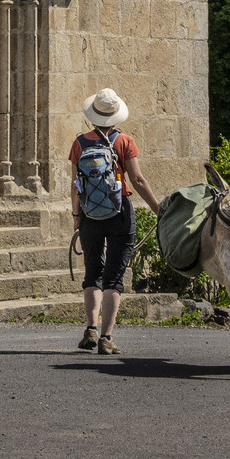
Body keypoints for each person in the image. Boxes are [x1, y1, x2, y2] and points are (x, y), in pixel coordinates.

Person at [69, 88, 161, 356]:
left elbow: (75, 185)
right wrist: (158, 209)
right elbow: (138, 180)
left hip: (89, 213)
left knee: (92, 273)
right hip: (120, 212)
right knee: (114, 277)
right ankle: (106, 338)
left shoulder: (79, 143)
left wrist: (76, 216)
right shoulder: (124, 141)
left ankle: (90, 329)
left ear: (93, 115)